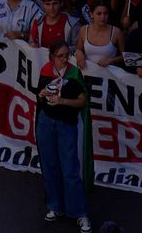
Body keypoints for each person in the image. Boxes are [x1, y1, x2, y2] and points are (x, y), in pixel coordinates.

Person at [34, 40, 91, 230]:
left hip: (66, 124)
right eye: (60, 56)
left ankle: (79, 212)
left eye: (67, 55)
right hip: (45, 122)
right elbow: (39, 96)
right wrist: (42, 94)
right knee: (49, 165)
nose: (65, 59)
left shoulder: (74, 73)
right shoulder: (45, 70)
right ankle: (54, 206)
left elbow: (82, 102)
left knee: (70, 169)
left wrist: (63, 101)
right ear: (52, 57)